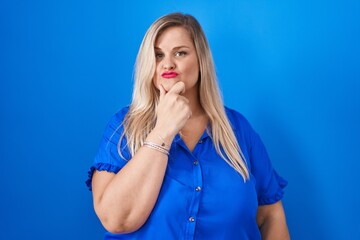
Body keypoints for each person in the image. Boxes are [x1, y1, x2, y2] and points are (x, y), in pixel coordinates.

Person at [86, 12, 290, 240]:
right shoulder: (123, 127)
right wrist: (163, 130)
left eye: (180, 53)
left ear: (201, 60)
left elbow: (270, 213)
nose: (168, 64)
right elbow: (115, 220)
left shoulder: (239, 130)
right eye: (158, 55)